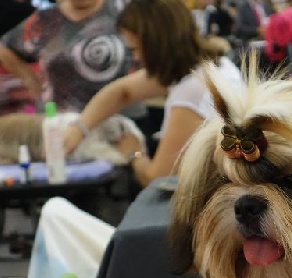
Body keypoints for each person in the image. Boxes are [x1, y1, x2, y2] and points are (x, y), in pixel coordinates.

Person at [62, 0, 244, 188]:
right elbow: (122, 91)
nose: (136, 59)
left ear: (154, 44)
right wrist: (79, 128)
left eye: (135, 50)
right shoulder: (216, 67)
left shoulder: (192, 91)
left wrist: (133, 153)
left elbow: (157, 180)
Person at [0, 0, 133, 113]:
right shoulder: (47, 19)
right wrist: (30, 79)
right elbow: (2, 48)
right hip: (60, 121)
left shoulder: (122, 10)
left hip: (118, 115)